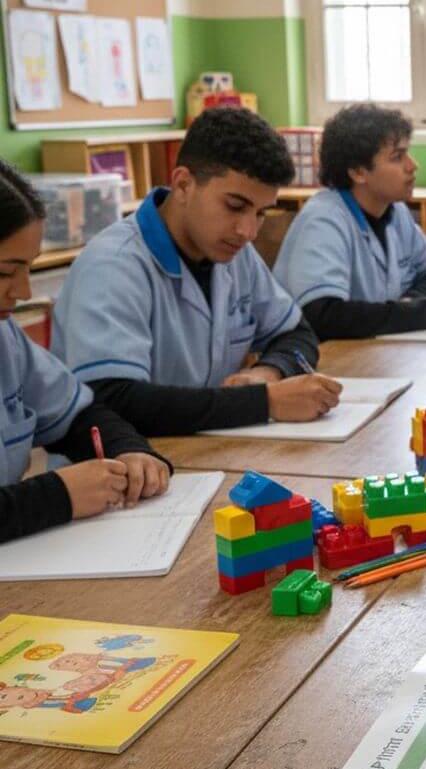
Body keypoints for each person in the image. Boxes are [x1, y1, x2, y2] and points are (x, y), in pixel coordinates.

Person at [52, 108, 341, 436]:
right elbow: (113, 400)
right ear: (183, 184)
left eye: (261, 213)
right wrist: (263, 402)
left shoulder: (234, 253)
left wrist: (268, 373)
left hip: (204, 451)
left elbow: (296, 333)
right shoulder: (113, 267)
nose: (248, 231)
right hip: (122, 471)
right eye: (235, 206)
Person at [0, 162, 171, 544]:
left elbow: (78, 415)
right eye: (4, 273)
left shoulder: (5, 338)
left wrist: (127, 449)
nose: (25, 292)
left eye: (28, 269)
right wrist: (57, 495)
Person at [273, 103, 426, 340]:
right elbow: (323, 316)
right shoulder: (323, 219)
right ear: (358, 171)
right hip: (328, 363)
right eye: (397, 157)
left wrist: (407, 306)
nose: (413, 166)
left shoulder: (395, 211)